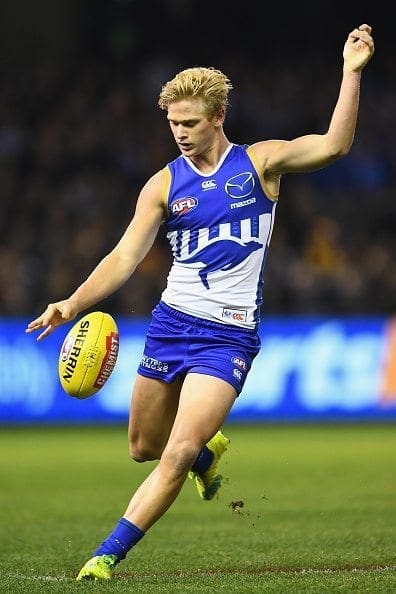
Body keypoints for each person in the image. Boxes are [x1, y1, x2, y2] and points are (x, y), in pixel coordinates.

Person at [26, 24, 374, 580]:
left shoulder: (260, 164)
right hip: (171, 325)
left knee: (177, 452)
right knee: (144, 445)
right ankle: (210, 455)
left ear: (218, 118)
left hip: (228, 337)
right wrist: (69, 303)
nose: (180, 134)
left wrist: (350, 73)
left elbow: (334, 145)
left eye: (189, 123)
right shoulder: (162, 185)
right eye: (173, 124)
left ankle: (104, 557)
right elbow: (124, 257)